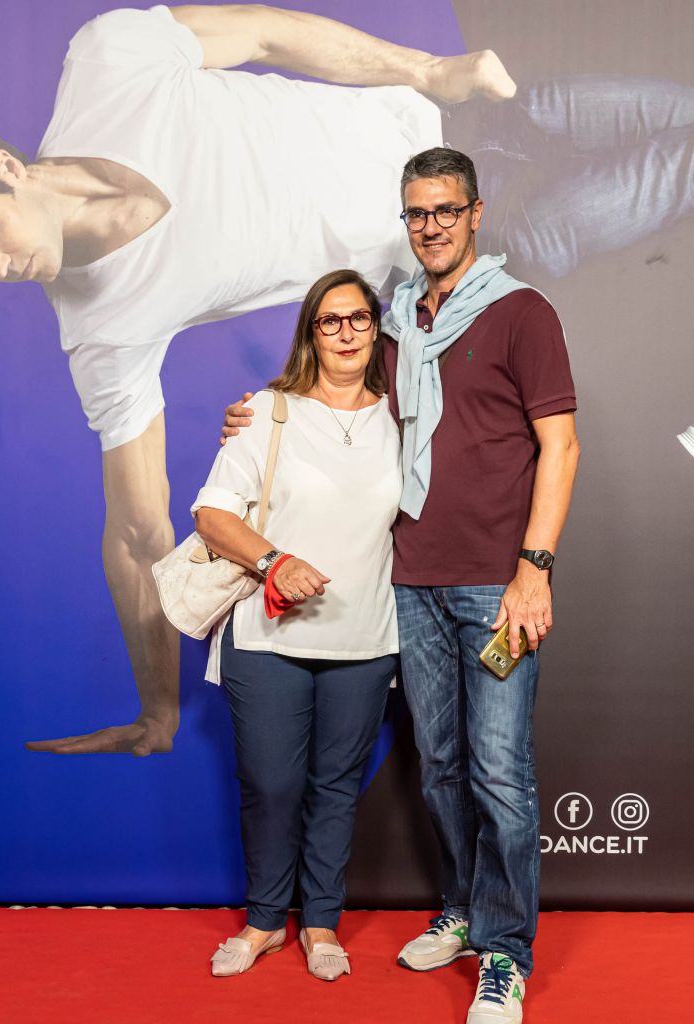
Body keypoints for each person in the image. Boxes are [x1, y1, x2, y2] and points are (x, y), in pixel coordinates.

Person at [0, 3, 694, 755]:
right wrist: (158, 707)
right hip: (464, 234)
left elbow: (268, 32)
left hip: (462, 124)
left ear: (7, 168)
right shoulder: (99, 325)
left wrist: (428, 67)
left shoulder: (107, 63)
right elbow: (135, 534)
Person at [223, 147, 580, 1023]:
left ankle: (505, 952)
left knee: (500, 772)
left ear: (476, 213)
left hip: (497, 586)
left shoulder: (522, 313)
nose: (431, 226)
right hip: (410, 585)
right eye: (417, 213)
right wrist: (255, 411)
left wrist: (534, 570)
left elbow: (561, 446)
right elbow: (329, 393)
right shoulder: (400, 335)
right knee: (442, 767)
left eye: (446, 210)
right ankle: (462, 909)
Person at [194, 268, 400, 981]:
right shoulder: (267, 413)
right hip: (267, 638)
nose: (346, 333)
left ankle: (319, 924)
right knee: (272, 784)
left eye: (358, 318)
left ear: (376, 328)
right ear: (311, 332)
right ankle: (263, 923)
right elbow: (212, 515)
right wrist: (274, 561)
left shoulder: (405, 421)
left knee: (337, 787)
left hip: (365, 637)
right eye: (329, 320)